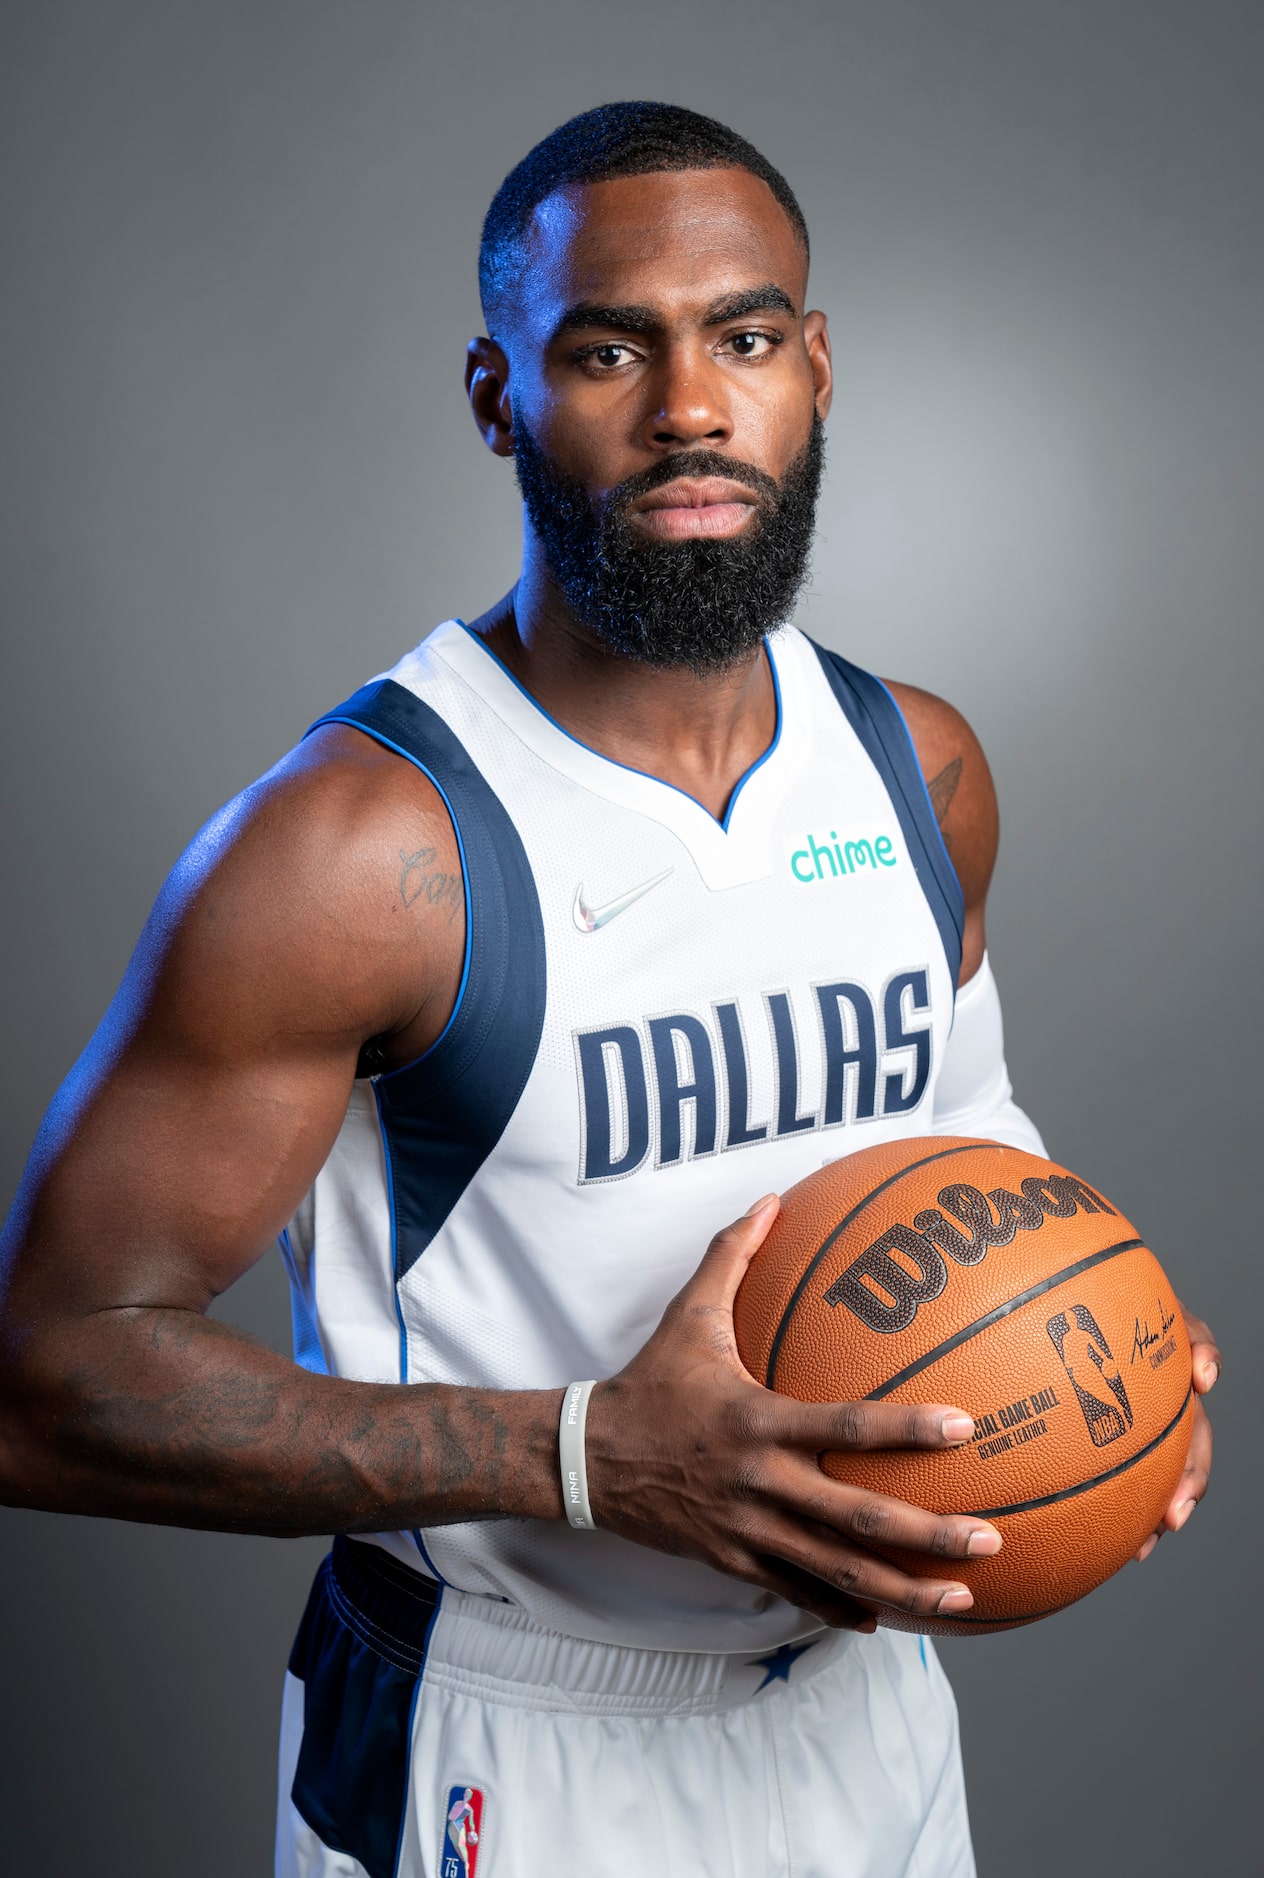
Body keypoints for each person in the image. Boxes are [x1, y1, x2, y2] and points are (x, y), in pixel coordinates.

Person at [0, 101, 1218, 1878]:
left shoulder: (915, 771)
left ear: (815, 369)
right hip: (517, 1731)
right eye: (605, 349)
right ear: (500, 397)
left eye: (742, 337)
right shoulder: (361, 854)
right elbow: (47, 1381)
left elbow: (960, 1138)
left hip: (864, 1706)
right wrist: (587, 1455)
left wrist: (1099, 1345)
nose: (692, 407)